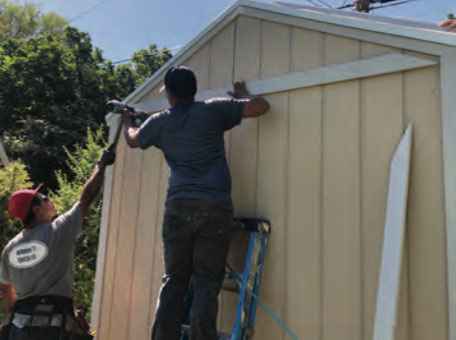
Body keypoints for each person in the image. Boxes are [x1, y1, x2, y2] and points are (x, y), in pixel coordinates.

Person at [122, 66, 270, 340]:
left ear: (169, 94)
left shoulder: (159, 122)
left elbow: (133, 140)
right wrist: (241, 96)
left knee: (175, 281)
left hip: (179, 207)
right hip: (215, 207)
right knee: (206, 281)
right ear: (193, 88)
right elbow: (260, 107)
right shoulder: (213, 110)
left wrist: (129, 122)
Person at [0, 146, 115, 340]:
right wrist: (101, 166)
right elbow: (85, 199)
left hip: (21, 327)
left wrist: (12, 315)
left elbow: (5, 288)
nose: (50, 200)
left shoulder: (10, 248)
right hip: (54, 325)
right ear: (36, 209)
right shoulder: (57, 231)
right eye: (44, 198)